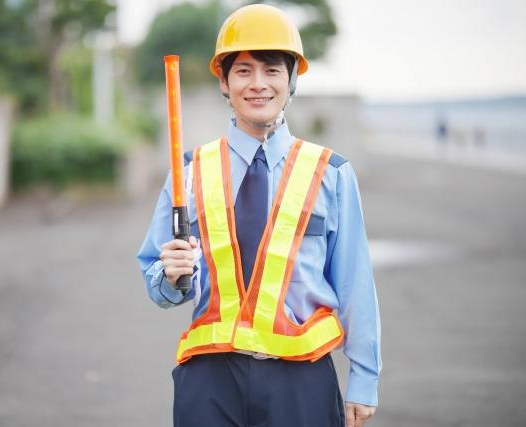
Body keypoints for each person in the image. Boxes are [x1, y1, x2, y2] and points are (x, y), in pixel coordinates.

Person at [137, 4, 381, 427]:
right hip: (210, 381)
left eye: (272, 70)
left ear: (292, 80)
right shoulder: (189, 172)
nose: (258, 84)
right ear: (224, 81)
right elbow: (159, 280)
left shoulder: (332, 173)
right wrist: (172, 277)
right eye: (244, 70)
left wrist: (363, 378)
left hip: (301, 377)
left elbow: (354, 282)